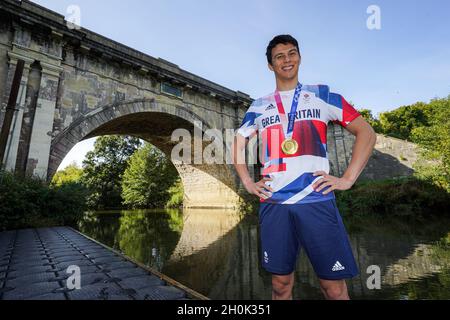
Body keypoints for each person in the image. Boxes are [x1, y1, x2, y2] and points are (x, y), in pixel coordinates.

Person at [232, 34, 377, 300]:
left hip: (316, 199)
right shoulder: (259, 106)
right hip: (274, 202)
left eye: (291, 53)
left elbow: (366, 133)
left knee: (333, 288)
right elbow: (238, 142)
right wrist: (247, 182)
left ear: (299, 57)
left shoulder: (322, 95)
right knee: (280, 285)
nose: (287, 60)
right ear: (270, 65)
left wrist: (348, 178)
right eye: (279, 56)